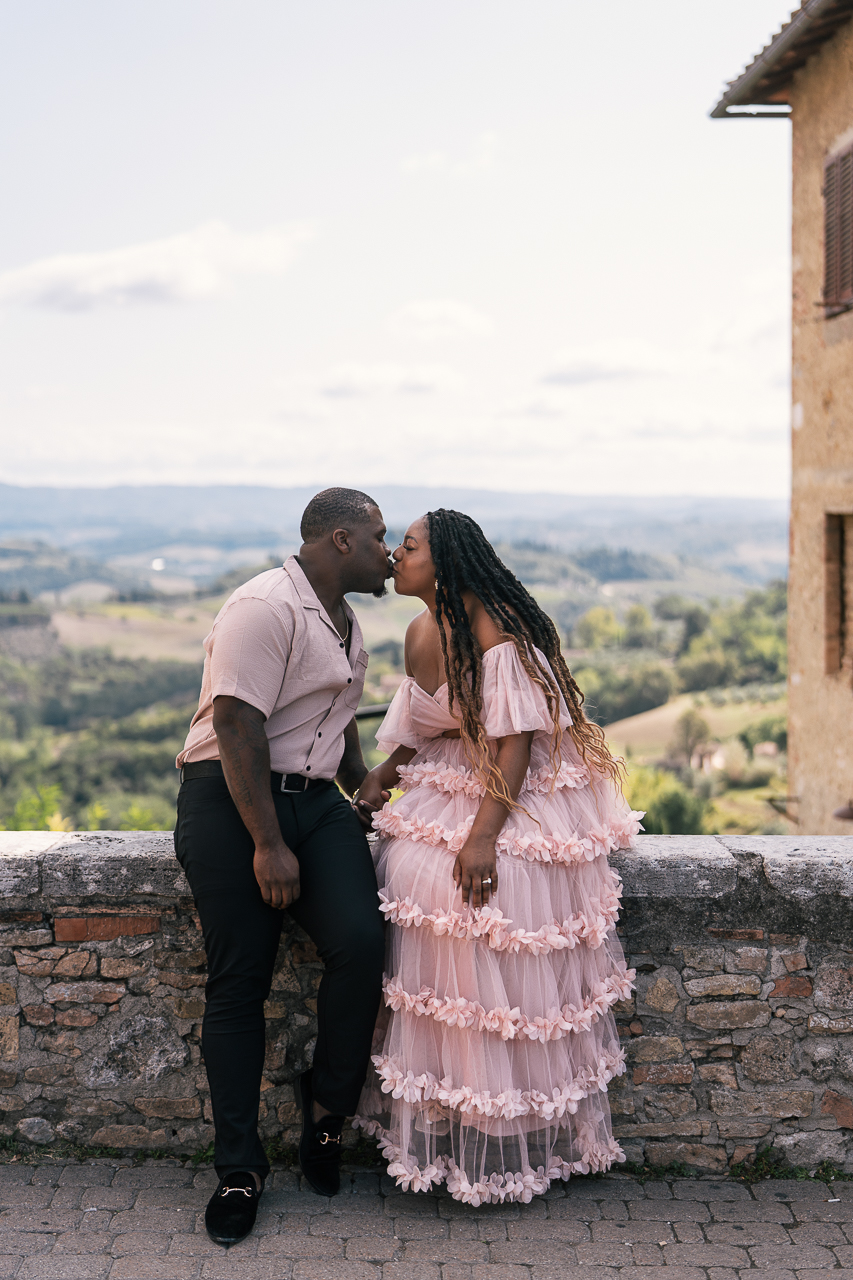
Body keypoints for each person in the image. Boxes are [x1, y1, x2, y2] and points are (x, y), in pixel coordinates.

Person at [351, 509, 642, 1205]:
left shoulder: (496, 627)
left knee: (489, 886)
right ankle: (451, 1103)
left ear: (445, 564)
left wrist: (483, 835)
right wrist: (379, 777)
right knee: (413, 870)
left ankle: (507, 1125)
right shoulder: (422, 630)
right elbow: (423, 727)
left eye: (410, 547)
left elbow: (513, 744)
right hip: (454, 770)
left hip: (514, 786)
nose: (395, 555)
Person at [174, 488, 391, 1247]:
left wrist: (357, 787)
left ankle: (325, 1115)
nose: (386, 551)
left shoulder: (346, 620)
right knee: (240, 980)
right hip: (233, 800)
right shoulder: (263, 606)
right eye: (376, 537)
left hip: (314, 801)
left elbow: (337, 716)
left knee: (363, 946)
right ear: (338, 541)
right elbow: (235, 722)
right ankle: (239, 1169)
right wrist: (267, 844)